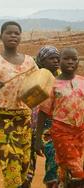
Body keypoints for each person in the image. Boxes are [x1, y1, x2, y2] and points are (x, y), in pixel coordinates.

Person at [0, 21, 38, 188]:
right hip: (3, 120)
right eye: (9, 33)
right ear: (1, 36)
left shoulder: (30, 62)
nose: (13, 35)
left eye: (16, 33)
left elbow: (38, 86)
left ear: (20, 37)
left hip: (24, 119)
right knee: (11, 163)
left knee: (24, 164)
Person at [36, 47, 83, 185]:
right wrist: (38, 139)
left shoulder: (82, 81)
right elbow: (43, 112)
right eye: (66, 58)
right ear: (60, 61)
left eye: (74, 59)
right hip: (62, 133)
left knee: (67, 172)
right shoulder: (53, 84)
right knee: (78, 173)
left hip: (80, 133)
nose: (70, 62)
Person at [30, 46, 60, 187]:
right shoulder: (36, 77)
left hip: (58, 125)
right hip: (37, 124)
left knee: (55, 161)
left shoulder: (62, 76)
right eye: (51, 58)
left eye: (57, 58)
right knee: (29, 163)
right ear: (42, 60)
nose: (56, 61)